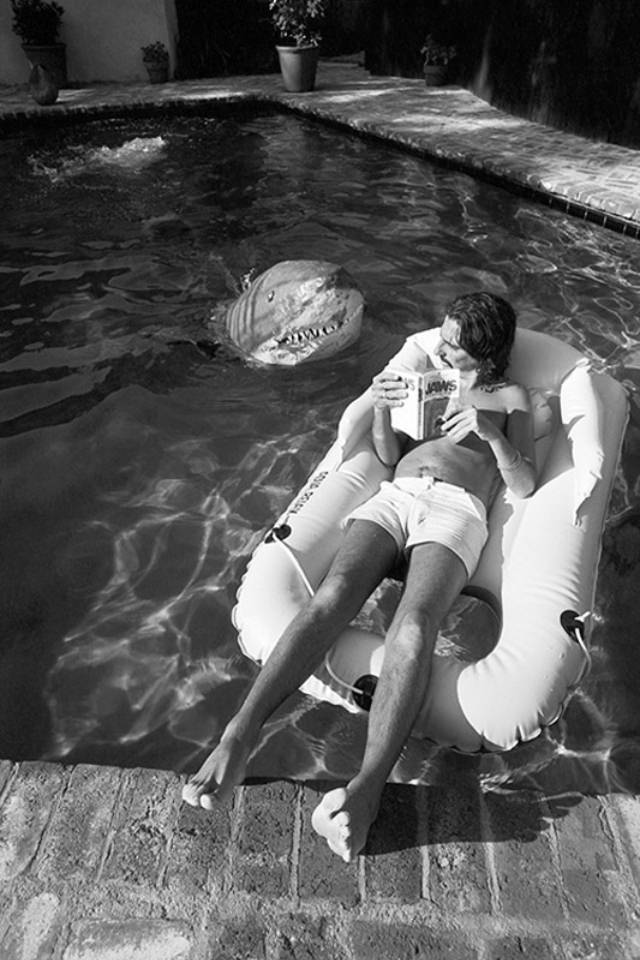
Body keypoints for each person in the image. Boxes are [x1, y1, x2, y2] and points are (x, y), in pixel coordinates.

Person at [182, 291, 537, 862]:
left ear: (489, 356)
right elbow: (391, 456)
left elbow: (523, 484)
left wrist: (490, 432)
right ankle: (238, 736)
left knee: (415, 626)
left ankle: (368, 789)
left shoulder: (509, 397)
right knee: (332, 598)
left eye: (455, 347)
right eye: (440, 338)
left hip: (454, 512)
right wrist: (378, 405)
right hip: (397, 496)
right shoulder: (430, 377)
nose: (439, 349)